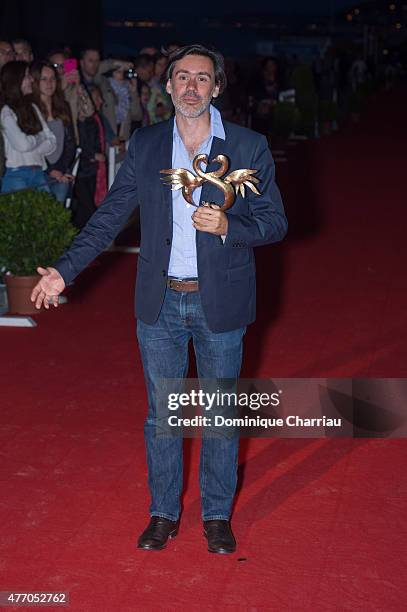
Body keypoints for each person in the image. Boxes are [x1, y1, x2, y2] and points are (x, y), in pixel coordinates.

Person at [30, 44, 287, 554]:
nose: (192, 86)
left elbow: (275, 222)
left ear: (217, 87)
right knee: (163, 414)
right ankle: (164, 513)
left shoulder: (248, 145)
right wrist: (65, 270)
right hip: (160, 301)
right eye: (182, 78)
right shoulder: (147, 145)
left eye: (202, 78)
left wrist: (229, 225)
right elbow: (109, 215)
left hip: (221, 300)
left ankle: (216, 515)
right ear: (168, 87)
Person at [0, 61, 56, 193]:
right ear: (16, 80)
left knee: (47, 212)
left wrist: (31, 143)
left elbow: (52, 143)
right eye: (27, 76)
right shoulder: (6, 111)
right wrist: (40, 137)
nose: (31, 79)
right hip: (16, 174)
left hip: (38, 171)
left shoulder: (33, 107)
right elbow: (22, 145)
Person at [30, 61, 76, 203]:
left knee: (59, 202)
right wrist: (50, 170)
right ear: (35, 81)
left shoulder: (63, 106)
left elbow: (70, 143)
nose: (49, 83)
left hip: (60, 169)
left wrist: (61, 169)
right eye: (44, 79)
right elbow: (32, 145)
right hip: (38, 170)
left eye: (52, 79)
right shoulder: (30, 109)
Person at [79, 48, 142, 141]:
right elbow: (100, 69)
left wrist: (133, 93)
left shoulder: (127, 88)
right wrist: (119, 63)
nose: (95, 64)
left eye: (97, 60)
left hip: (123, 139)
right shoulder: (101, 83)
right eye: (91, 60)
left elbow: (137, 116)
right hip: (104, 139)